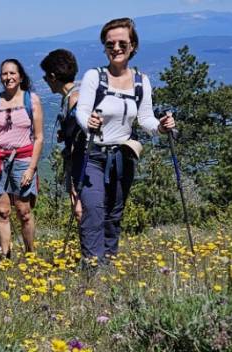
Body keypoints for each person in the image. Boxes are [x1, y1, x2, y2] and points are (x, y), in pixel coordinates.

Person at [75, 17, 176, 264]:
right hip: (93, 154)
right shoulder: (93, 77)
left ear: (133, 46)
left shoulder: (141, 82)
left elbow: (145, 119)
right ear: (104, 47)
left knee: (113, 212)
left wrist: (162, 128)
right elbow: (81, 110)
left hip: (123, 155)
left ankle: (108, 263)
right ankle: (92, 267)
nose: (116, 48)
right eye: (110, 44)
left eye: (122, 43)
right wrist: (88, 122)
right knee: (94, 211)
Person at [0, 59, 44, 258]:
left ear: (21, 76)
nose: (8, 77)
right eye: (4, 74)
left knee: (24, 210)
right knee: (2, 210)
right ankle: (6, 256)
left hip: (23, 159)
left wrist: (31, 168)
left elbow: (39, 138)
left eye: (12, 73)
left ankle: (30, 253)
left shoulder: (32, 100)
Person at [41, 49, 83, 221]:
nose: (45, 81)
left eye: (45, 77)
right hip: (77, 160)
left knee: (80, 207)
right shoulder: (73, 95)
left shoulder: (74, 99)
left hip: (78, 161)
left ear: (53, 76)